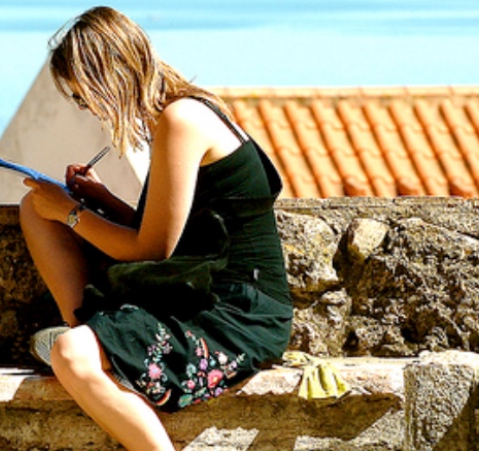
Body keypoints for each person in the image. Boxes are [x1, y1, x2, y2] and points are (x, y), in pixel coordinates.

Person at [19, 7, 292, 450]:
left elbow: (153, 247)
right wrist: (100, 200)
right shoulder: (178, 114)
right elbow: (178, 233)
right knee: (35, 208)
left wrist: (72, 213)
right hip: (195, 287)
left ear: (107, 79)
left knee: (69, 354)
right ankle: (92, 331)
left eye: (85, 98)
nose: (88, 111)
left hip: (235, 314)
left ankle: (91, 348)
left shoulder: (183, 119)